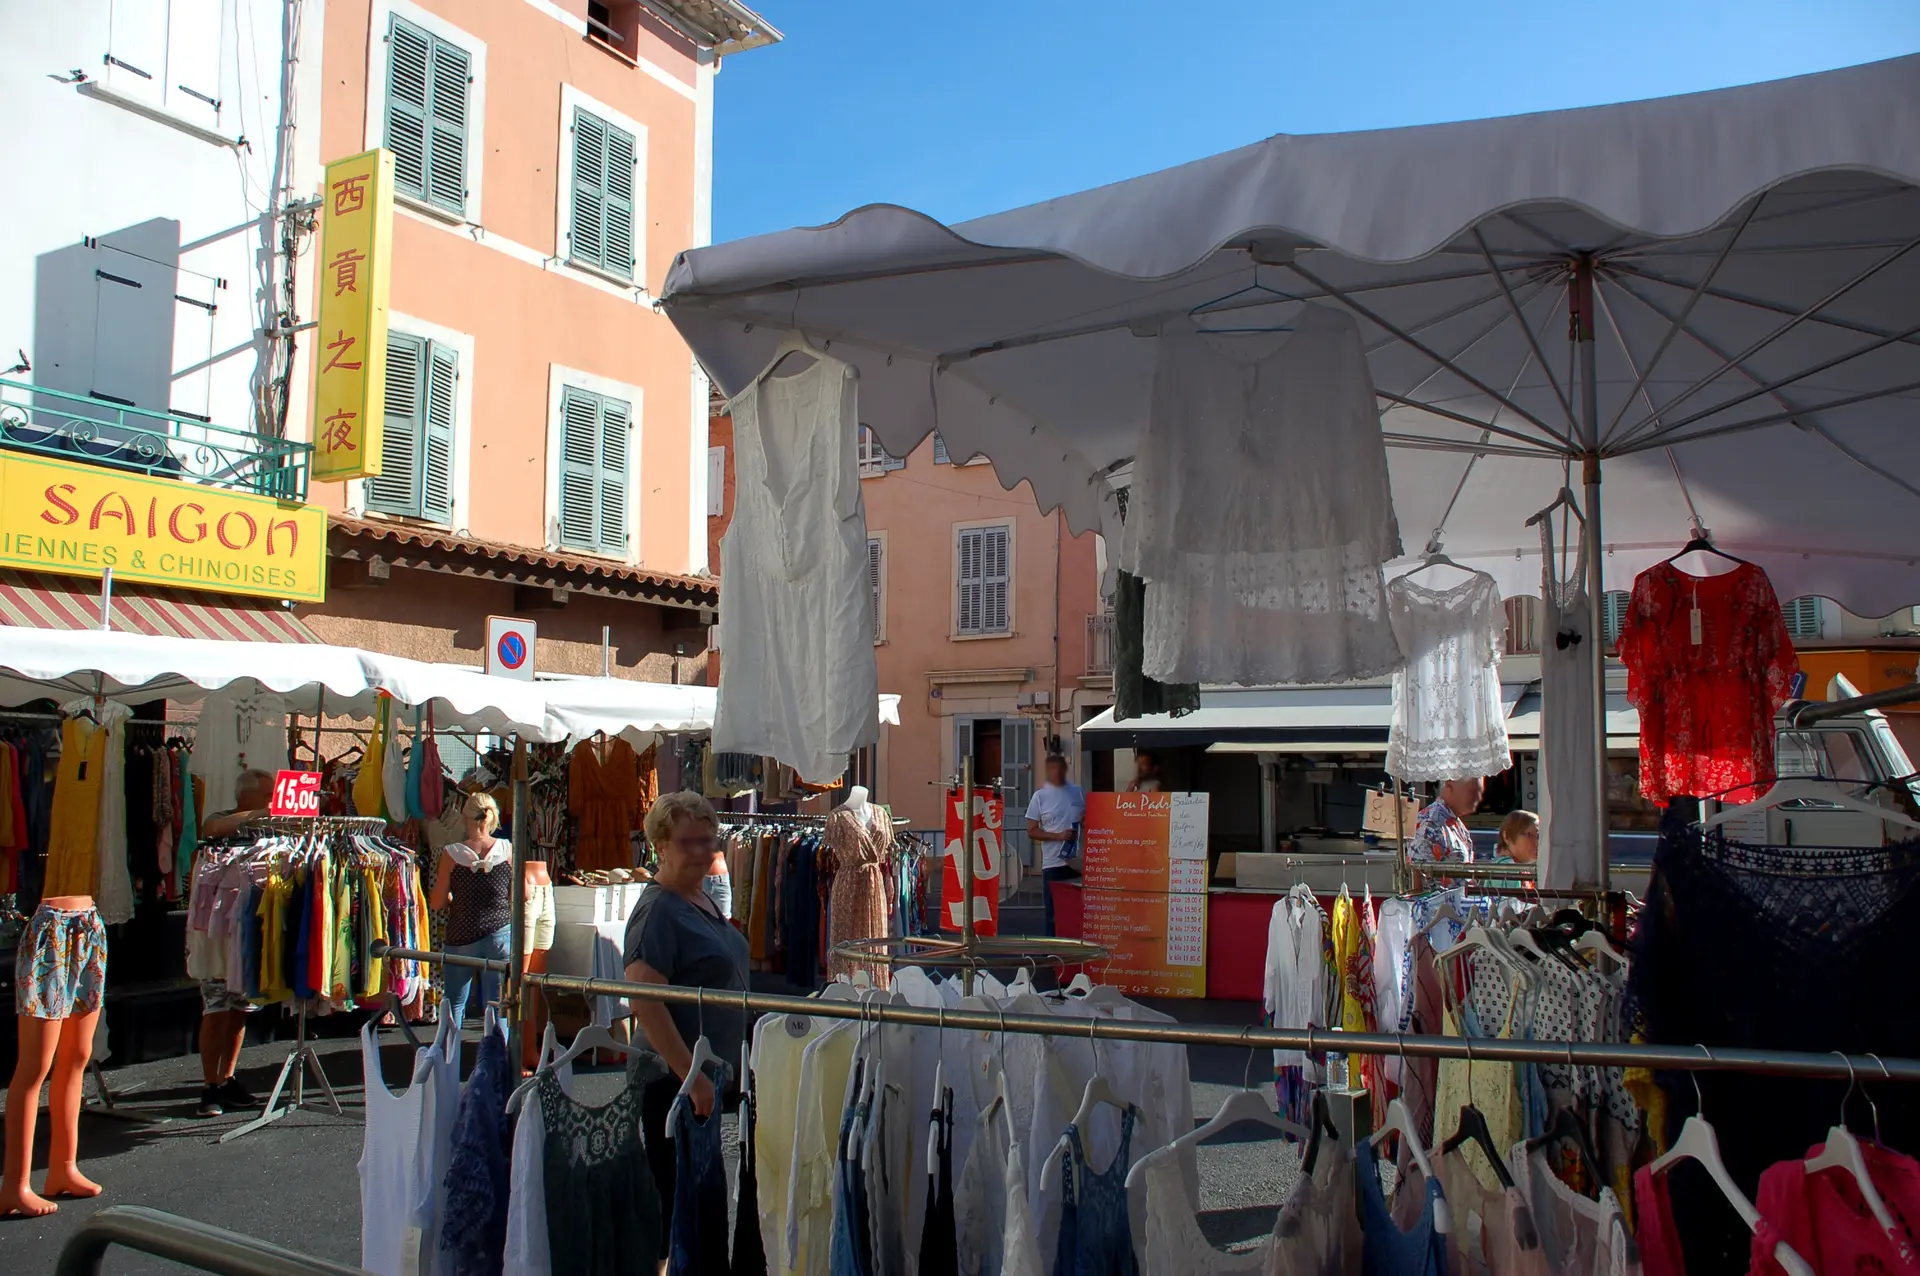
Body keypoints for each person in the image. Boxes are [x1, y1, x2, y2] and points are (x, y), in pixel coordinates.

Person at [624, 790, 750, 1211]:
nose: (701, 851)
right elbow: (645, 1001)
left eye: (708, 840)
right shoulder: (658, 910)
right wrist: (690, 1078)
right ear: (660, 846)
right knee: (677, 1215)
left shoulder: (699, 897)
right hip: (673, 1085)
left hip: (706, 1083)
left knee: (701, 1211)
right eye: (688, 842)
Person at [192, 768, 276, 1118]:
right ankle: (210, 1085)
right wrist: (264, 814)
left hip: (249, 925)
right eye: (267, 794)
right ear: (248, 796)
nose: (272, 800)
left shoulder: (269, 828)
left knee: (241, 1007)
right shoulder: (222, 819)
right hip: (214, 932)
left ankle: (227, 1078)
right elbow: (212, 829)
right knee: (216, 1007)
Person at [430, 793, 514, 1030]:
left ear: (464, 818)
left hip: (461, 934)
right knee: (498, 1008)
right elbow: (519, 896)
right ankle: (496, 1064)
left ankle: (448, 1063)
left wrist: (450, 897)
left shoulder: (452, 854)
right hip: (499, 934)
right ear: (492, 817)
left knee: (454, 1006)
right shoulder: (507, 850)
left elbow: (436, 902)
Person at [1026, 754, 1086, 937]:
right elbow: (1032, 830)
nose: (1056, 772)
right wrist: (1057, 835)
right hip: (1053, 864)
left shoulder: (1078, 792)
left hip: (1077, 863)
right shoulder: (1040, 796)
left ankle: (1074, 955)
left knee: (1079, 912)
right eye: (1052, 769)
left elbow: (1089, 817)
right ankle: (1052, 955)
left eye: (1059, 768)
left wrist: (1084, 821)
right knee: (1053, 914)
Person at [1408, 777, 1484, 864]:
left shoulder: (1453, 820)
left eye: (1480, 792)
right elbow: (1416, 870)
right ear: (1450, 785)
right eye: (1473, 792)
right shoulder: (1430, 823)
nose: (1479, 798)